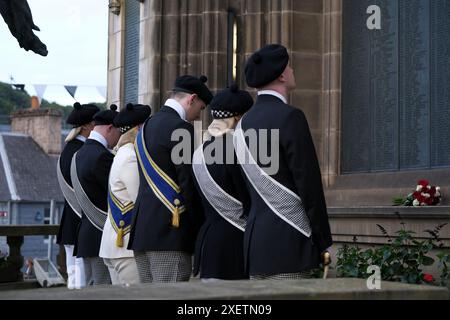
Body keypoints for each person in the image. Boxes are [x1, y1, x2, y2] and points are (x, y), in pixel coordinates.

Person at [234, 44, 333, 280]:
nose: (292, 70)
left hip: (255, 245)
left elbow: (244, 192)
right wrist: (323, 241)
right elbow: (308, 185)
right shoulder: (290, 117)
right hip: (290, 241)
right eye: (289, 66)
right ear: (281, 75)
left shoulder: (241, 125)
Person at [129, 75, 213, 283]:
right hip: (169, 234)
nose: (197, 116)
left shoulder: (145, 127)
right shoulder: (181, 128)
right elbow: (187, 184)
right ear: (192, 99)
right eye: (201, 109)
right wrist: (200, 228)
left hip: (142, 232)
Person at [192, 84, 253, 281]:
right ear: (238, 118)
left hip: (207, 243)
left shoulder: (197, 153)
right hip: (235, 243)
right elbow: (249, 201)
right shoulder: (239, 151)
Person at [99, 103, 151, 286]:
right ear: (138, 128)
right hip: (124, 246)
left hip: (116, 243)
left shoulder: (121, 153)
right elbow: (140, 199)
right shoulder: (130, 156)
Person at [71, 105, 121, 286]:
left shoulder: (79, 154)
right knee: (103, 292)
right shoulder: (102, 157)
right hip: (101, 234)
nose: (119, 138)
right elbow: (116, 195)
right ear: (109, 128)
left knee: (92, 291)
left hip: (86, 236)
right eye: (119, 132)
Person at [56, 102, 99, 289]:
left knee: (74, 276)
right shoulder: (82, 151)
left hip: (71, 220)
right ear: (88, 126)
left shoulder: (68, 150)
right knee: (82, 279)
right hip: (82, 218)